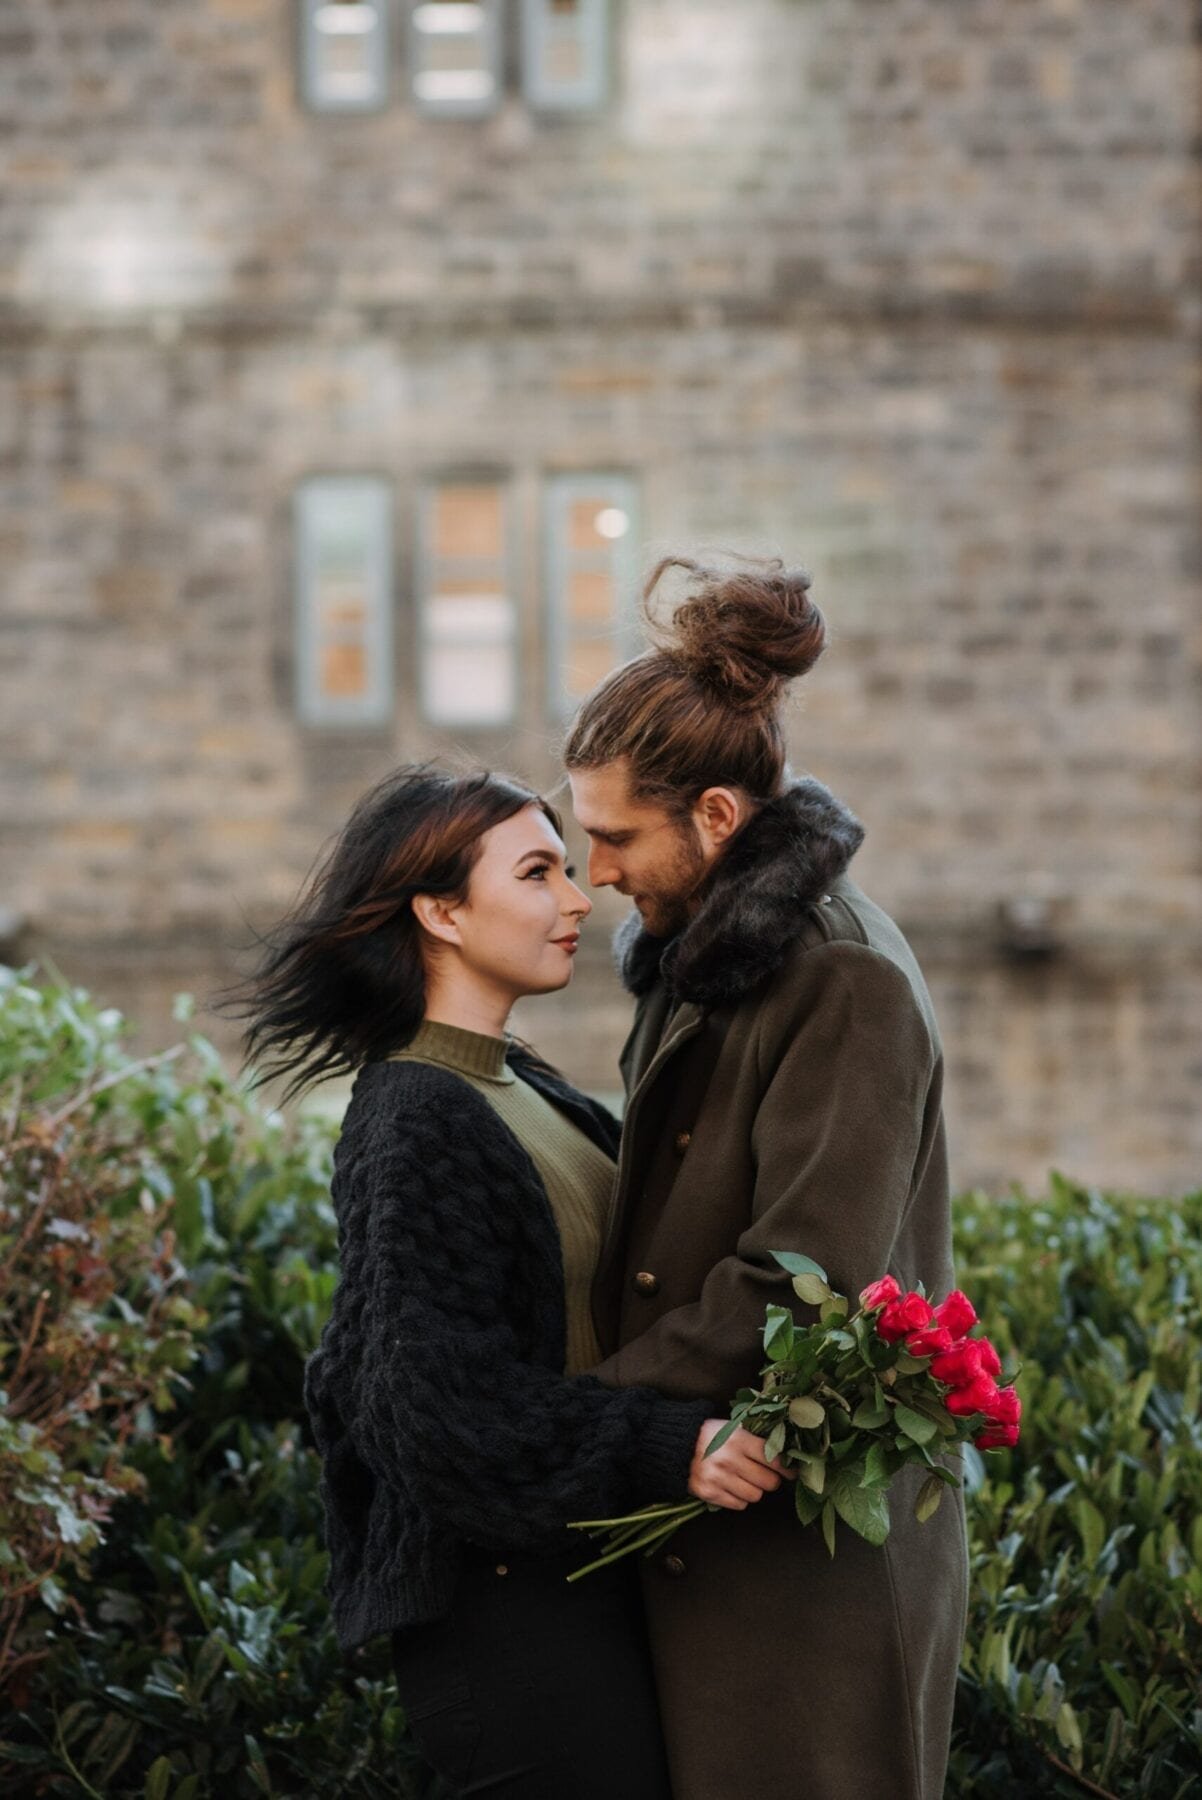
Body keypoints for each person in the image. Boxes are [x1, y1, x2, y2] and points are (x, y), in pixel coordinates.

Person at [219, 764, 785, 1800]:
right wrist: (672, 1446)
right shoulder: (414, 1117)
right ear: (439, 911)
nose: (577, 899)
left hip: (581, 1581)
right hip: (508, 1620)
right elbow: (432, 1407)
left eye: (568, 870)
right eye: (536, 873)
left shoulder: (516, 1080)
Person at [563, 555, 969, 1800]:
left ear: (718, 820)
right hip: (725, 1519)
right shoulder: (710, 955)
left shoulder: (838, 976)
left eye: (614, 837)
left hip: (810, 1569)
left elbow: (803, 1277)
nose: (596, 875)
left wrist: (582, 1414)